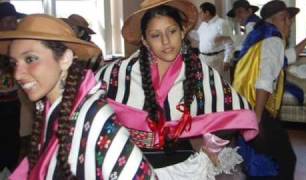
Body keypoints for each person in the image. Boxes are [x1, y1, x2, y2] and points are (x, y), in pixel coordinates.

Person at [97, 0, 259, 179]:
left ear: (182, 32)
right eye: (155, 35)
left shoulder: (199, 71)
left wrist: (210, 142)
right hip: (130, 168)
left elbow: (234, 108)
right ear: (144, 40)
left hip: (181, 169)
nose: (166, 42)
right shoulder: (118, 73)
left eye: (172, 31)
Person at [0, 14, 157, 179]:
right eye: (14, 63)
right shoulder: (49, 111)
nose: (17, 74)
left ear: (65, 59)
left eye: (30, 59)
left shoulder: (94, 115)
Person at [232, 1, 306, 179]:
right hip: (258, 112)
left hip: (245, 108)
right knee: (286, 160)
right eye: (283, 18)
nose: (289, 23)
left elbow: (287, 57)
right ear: (270, 21)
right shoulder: (274, 39)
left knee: (261, 160)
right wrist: (257, 117)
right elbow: (264, 80)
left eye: (290, 19)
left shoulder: (262, 37)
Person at [0, 1, 26, 173]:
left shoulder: (16, 44)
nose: (12, 25)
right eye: (7, 21)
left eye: (13, 21)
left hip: (12, 102)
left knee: (12, 142)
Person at [189, 2, 233, 81]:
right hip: (203, 58)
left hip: (217, 60)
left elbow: (229, 44)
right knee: (207, 84)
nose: (199, 14)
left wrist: (227, 60)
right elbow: (199, 37)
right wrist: (188, 31)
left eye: (201, 12)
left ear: (207, 13)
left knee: (220, 84)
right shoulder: (203, 24)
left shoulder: (222, 23)